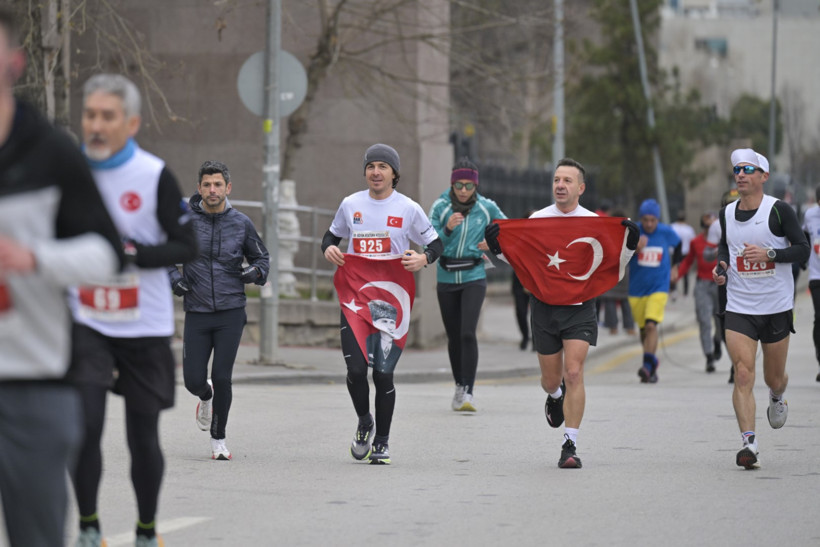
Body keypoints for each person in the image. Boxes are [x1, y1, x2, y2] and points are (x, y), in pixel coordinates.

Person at [0, 10, 123, 546]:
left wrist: (34, 259)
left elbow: (107, 256)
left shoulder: (50, 153)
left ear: (14, 62)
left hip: (34, 383)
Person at [66, 74, 198, 546]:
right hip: (85, 319)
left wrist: (133, 254)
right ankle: (88, 528)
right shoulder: (68, 171)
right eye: (89, 115)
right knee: (82, 426)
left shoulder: (153, 174)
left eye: (107, 116)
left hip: (143, 322)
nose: (96, 126)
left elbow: (189, 244)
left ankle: (146, 531)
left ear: (132, 123)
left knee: (142, 436)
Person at [484, 158, 639, 469]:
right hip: (544, 308)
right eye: (557, 179)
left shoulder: (593, 222)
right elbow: (520, 259)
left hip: (580, 308)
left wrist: (629, 244)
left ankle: (570, 444)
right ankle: (555, 395)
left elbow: (613, 262)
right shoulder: (538, 219)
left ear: (580, 188)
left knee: (574, 373)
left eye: (567, 180)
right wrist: (496, 245)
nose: (560, 185)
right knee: (551, 379)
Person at [322, 143, 443, 465]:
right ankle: (365, 422)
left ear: (394, 174)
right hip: (356, 298)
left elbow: (435, 244)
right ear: (365, 172)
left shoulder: (408, 208)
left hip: (391, 301)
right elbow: (331, 237)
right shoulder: (351, 204)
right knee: (356, 369)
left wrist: (423, 258)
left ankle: (383, 441)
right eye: (371, 166)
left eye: (383, 167)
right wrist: (329, 250)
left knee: (384, 375)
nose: (376, 172)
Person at [714, 148, 809, 470]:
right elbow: (725, 246)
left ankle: (777, 396)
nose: (740, 174)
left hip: (776, 306)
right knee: (742, 372)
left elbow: (802, 250)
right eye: (737, 169)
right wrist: (722, 267)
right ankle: (749, 443)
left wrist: (770, 254)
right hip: (740, 305)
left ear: (763, 177)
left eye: (747, 169)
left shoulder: (780, 211)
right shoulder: (726, 212)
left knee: (773, 377)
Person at [168, 160, 269, 461]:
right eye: (207, 185)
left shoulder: (241, 223)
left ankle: (218, 439)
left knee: (222, 376)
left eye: (218, 185)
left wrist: (255, 273)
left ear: (228, 188)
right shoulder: (184, 221)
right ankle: (205, 396)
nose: (213, 190)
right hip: (197, 311)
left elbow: (263, 260)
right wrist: (174, 278)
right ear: (199, 188)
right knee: (193, 380)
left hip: (231, 311)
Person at [428, 157, 507, 411]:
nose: (463, 190)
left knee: (467, 333)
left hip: (474, 276)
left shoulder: (486, 208)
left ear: (476, 186)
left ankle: (469, 392)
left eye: (468, 186)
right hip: (447, 277)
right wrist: (447, 230)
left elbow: (508, 233)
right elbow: (427, 244)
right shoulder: (440, 207)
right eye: (458, 185)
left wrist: (493, 244)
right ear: (452, 185)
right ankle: (459, 386)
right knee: (453, 336)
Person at [628, 198, 682, 383]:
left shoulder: (666, 231)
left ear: (658, 220)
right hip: (636, 289)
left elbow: (679, 245)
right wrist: (635, 249)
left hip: (659, 286)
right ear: (641, 219)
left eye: (653, 220)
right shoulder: (634, 231)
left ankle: (646, 365)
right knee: (644, 330)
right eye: (646, 220)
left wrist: (675, 267)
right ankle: (652, 365)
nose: (649, 224)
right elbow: (620, 254)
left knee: (651, 325)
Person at [677, 211, 722, 372]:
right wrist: (676, 276)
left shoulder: (723, 241)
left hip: (721, 284)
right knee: (704, 321)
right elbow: (688, 261)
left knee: (720, 321)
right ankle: (709, 356)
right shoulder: (696, 242)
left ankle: (718, 340)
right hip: (703, 284)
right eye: (707, 226)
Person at [802, 186, 820, 383]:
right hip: (817, 275)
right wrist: (802, 258)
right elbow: (804, 235)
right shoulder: (810, 215)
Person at [670, 210, 696, 298]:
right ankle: (685, 291)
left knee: (674, 270)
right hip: (685, 252)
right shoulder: (689, 229)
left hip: (674, 253)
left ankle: (673, 289)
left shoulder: (672, 227)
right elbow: (693, 241)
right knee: (685, 272)